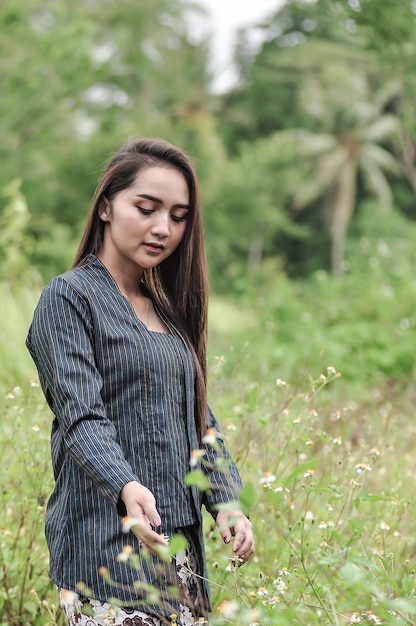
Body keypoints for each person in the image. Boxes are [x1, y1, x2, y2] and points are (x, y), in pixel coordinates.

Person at [26, 137, 254, 626]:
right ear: (106, 206)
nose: (162, 228)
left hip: (179, 555)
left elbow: (197, 420)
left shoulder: (169, 314)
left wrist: (227, 503)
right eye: (146, 208)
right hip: (106, 549)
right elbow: (80, 415)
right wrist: (125, 483)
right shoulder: (69, 299)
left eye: (178, 216)